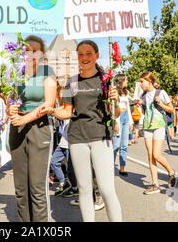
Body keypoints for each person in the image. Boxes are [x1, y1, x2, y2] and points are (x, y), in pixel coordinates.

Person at [40, 40, 122, 222]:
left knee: (107, 188)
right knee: (85, 190)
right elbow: (67, 112)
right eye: (81, 54)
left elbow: (114, 113)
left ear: (97, 55)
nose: (84, 58)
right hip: (77, 139)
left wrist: (116, 102)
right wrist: (52, 110)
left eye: (89, 53)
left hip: (101, 137)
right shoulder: (72, 82)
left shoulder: (106, 80)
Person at [7, 35, 57, 222]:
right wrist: (9, 109)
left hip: (39, 127)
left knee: (37, 187)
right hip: (17, 130)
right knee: (21, 188)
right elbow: (9, 102)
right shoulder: (14, 73)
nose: (30, 53)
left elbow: (49, 103)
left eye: (34, 50)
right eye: (27, 50)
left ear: (41, 53)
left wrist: (25, 119)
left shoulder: (47, 71)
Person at [139, 72, 177, 195]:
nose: (140, 84)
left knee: (156, 154)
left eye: (142, 81)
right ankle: (155, 184)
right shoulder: (143, 95)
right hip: (147, 126)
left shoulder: (161, 93)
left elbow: (172, 109)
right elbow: (145, 113)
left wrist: (160, 103)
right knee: (150, 156)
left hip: (159, 126)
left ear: (149, 81)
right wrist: (141, 106)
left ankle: (171, 172)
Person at [113, 73, 133, 177]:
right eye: (125, 80)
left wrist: (131, 122)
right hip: (118, 118)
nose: (127, 82)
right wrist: (115, 122)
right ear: (120, 82)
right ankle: (110, 168)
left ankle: (122, 168)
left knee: (124, 145)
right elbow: (113, 110)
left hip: (125, 119)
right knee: (115, 146)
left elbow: (128, 108)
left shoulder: (126, 93)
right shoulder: (114, 93)